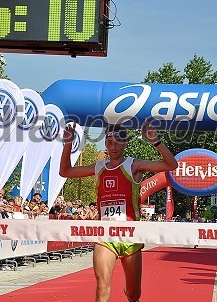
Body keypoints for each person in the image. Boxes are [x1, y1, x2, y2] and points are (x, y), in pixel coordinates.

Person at [60, 121, 178, 302]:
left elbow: (171, 165)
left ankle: (130, 293)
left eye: (117, 142)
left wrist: (155, 142)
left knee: (133, 294)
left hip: (130, 236)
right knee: (102, 286)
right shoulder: (99, 167)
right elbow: (65, 171)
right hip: (105, 236)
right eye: (109, 143)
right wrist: (68, 144)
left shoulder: (134, 165)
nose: (112, 147)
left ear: (125, 143)